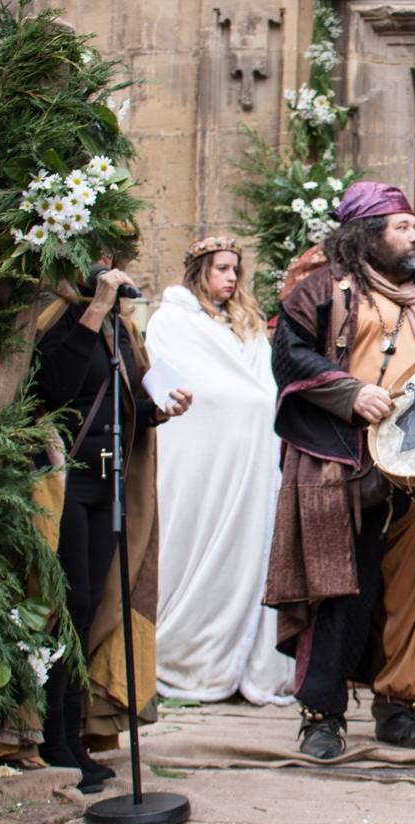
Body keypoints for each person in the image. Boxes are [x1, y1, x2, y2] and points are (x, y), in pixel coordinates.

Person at [266, 181, 415, 759]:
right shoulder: (322, 287)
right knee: (341, 589)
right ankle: (322, 717)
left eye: (414, 227)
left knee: (412, 590)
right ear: (368, 234)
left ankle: (398, 707)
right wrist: (350, 393)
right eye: (403, 227)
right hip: (343, 463)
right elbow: (289, 355)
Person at [32, 253, 192, 792]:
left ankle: (74, 734)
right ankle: (51, 737)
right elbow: (53, 390)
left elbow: (121, 405)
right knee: (67, 605)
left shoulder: (124, 330)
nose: (110, 268)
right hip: (64, 481)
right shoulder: (55, 316)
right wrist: (96, 309)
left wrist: (158, 410)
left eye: (115, 260)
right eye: (100, 259)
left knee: (93, 605)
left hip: (109, 483)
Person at [145, 237, 294, 706]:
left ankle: (247, 657)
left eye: (235, 270)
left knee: (252, 546)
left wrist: (252, 403)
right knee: (197, 538)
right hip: (204, 456)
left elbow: (261, 381)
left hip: (252, 456)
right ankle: (188, 651)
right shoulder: (173, 320)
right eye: (222, 269)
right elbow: (176, 378)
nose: (231, 278)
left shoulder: (246, 323)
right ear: (199, 271)